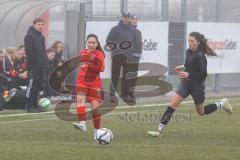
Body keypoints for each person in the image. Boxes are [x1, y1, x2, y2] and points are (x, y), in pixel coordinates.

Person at [147, 32, 233, 137]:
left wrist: (189, 74)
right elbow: (189, 64)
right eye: (189, 40)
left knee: (201, 112)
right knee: (172, 105)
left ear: (198, 42)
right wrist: (182, 66)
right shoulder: (188, 51)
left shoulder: (201, 56)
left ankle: (222, 104)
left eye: (192, 41)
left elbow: (203, 75)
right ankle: (159, 131)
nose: (189, 43)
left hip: (197, 87)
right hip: (186, 84)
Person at [73, 34, 105, 140]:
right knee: (80, 100)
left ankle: (96, 132)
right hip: (81, 80)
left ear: (97, 44)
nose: (91, 44)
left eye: (93, 42)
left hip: (94, 83)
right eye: (89, 42)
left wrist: (87, 66)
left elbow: (101, 68)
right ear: (86, 43)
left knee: (94, 108)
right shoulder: (82, 53)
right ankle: (82, 123)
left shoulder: (99, 54)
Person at [106, 12, 137, 104]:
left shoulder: (133, 30)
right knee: (115, 75)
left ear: (129, 18)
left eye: (128, 17)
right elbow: (108, 41)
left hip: (128, 57)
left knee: (126, 76)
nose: (126, 19)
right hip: (117, 56)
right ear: (122, 18)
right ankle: (112, 95)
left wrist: (132, 53)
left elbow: (135, 43)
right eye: (125, 17)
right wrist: (116, 49)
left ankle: (125, 95)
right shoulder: (115, 29)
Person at [24, 18, 48, 113]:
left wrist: (45, 63)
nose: (40, 26)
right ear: (34, 25)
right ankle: (29, 106)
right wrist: (36, 64)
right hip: (33, 67)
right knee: (32, 86)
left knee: (38, 87)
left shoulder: (41, 37)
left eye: (42, 24)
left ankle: (35, 105)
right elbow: (29, 52)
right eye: (39, 24)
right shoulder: (29, 36)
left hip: (41, 67)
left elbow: (43, 51)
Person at [127, 14, 142, 102]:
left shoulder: (138, 32)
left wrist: (139, 53)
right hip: (129, 58)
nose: (134, 21)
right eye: (132, 19)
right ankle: (127, 94)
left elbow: (139, 44)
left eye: (135, 19)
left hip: (136, 58)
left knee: (134, 76)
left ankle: (131, 94)